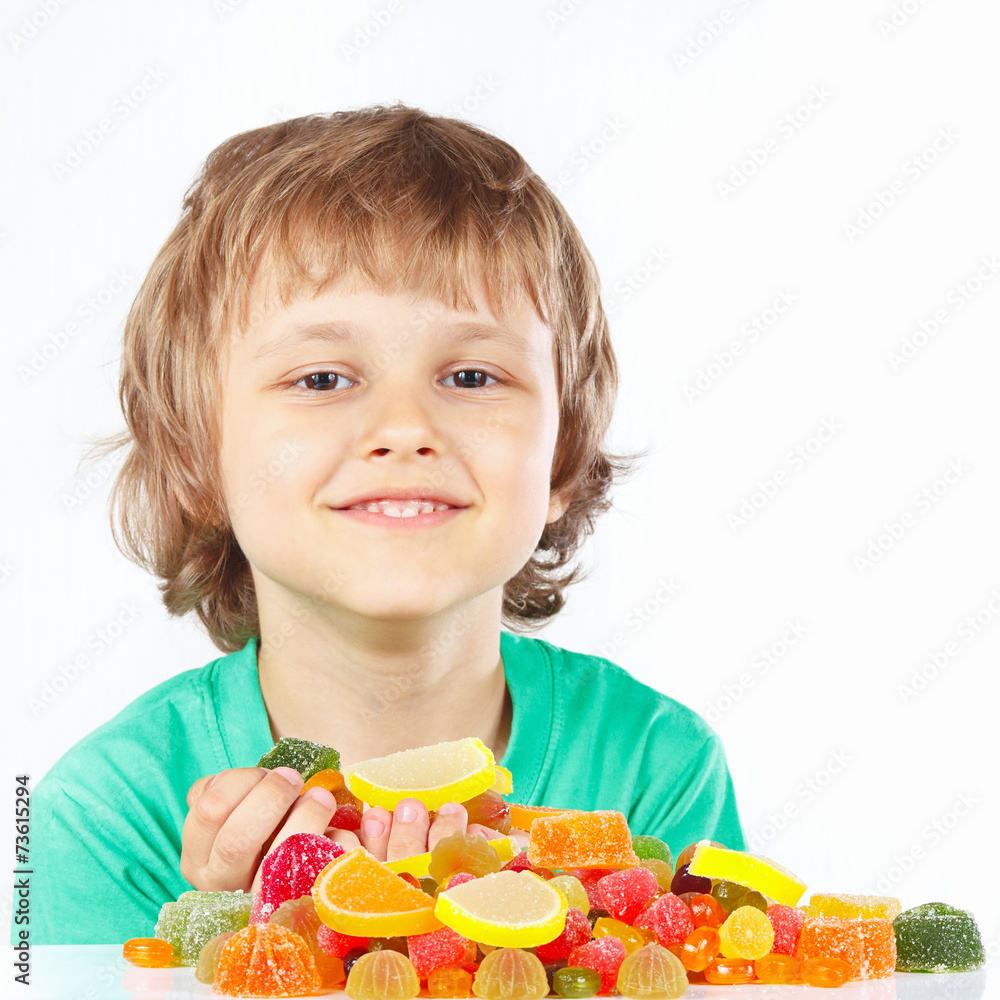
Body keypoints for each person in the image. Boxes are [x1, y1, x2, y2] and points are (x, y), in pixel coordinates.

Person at [26, 103, 744, 945]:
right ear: (197, 456)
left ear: (563, 455)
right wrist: (235, 947)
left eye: (473, 376)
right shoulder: (101, 816)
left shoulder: (653, 769)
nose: (405, 426)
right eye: (323, 379)